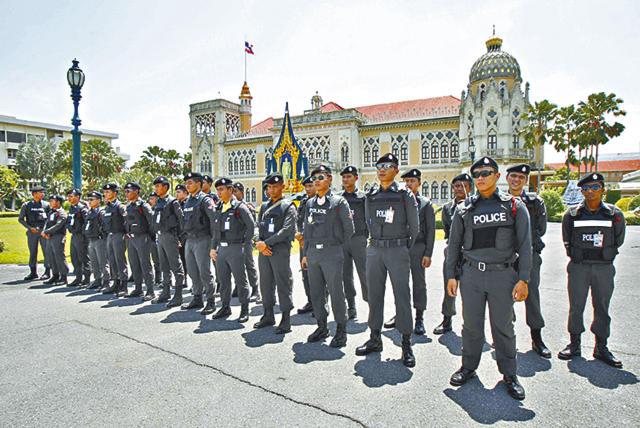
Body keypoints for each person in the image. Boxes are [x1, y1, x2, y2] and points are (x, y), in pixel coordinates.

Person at [446, 156, 531, 400]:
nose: (481, 178)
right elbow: (454, 245)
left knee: (503, 326)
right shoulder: (464, 209)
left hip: (503, 275)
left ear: (497, 175)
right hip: (472, 275)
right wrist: (451, 275)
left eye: (486, 173)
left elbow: (525, 245)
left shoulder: (514, 206)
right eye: (477, 175)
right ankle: (468, 367)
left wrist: (524, 279)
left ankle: (509, 374)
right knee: (471, 326)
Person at [355, 153, 419, 368]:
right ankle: (375, 338)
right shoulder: (371, 194)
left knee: (402, 296)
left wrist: (402, 248)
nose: (382, 169)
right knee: (374, 296)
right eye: (379, 165)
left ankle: (406, 343)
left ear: (396, 170)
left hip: (397, 250)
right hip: (375, 250)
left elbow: (415, 227)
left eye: (387, 166)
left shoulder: (403, 194)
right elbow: (367, 221)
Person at [558, 172, 626, 368]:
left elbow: (618, 239)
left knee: (602, 306)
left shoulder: (614, 214)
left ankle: (601, 347)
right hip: (579, 267)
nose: (590, 192)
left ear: (603, 190)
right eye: (586, 188)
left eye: (595, 187)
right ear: (581, 191)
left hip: (603, 267)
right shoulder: (572, 214)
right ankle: (574, 344)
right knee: (576, 306)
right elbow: (567, 238)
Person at [301, 165, 354, 347]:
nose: (316, 181)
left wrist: (337, 247)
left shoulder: (339, 202)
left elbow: (349, 229)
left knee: (336, 292)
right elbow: (307, 231)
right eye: (314, 178)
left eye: (321, 177)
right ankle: (321, 326)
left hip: (331, 253)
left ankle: (341, 330)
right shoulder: (310, 203)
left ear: (330, 179)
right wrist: (305, 254)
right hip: (313, 253)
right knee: (316, 292)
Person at [383, 168, 435, 336]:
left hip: (417, 249)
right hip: (399, 248)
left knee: (419, 284)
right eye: (406, 181)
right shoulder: (397, 201)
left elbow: (431, 231)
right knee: (399, 284)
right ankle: (400, 315)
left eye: (412, 181)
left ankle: (419, 318)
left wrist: (428, 253)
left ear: (419, 183)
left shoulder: (425, 204)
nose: (409, 184)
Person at [506, 164, 550, 358]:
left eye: (521, 177)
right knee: (504, 297)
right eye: (513, 176)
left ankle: (536, 338)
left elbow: (541, 228)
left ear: (525, 181)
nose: (516, 180)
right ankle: (506, 336)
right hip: (505, 257)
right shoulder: (500, 201)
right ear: (507, 178)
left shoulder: (535, 202)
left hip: (529, 256)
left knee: (531, 296)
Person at [254, 173, 297, 334]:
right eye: (269, 187)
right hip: (264, 250)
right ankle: (268, 315)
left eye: (275, 186)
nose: (271, 190)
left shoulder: (288, 206)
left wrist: (266, 243)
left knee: (283, 283)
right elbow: (258, 226)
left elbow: (287, 230)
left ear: (283, 187)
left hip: (279, 250)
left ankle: (286, 319)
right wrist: (259, 242)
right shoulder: (264, 206)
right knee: (265, 283)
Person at [210, 178, 255, 322]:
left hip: (236, 248)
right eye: (217, 190)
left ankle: (244, 309)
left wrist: (244, 243)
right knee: (223, 280)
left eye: (222, 189)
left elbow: (251, 226)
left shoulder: (239, 207)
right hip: (221, 250)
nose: (219, 193)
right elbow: (215, 231)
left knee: (240, 280)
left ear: (230, 190)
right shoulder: (218, 207)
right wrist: (213, 248)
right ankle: (225, 307)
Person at [434, 173, 471, 335]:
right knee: (449, 287)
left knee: (472, 291)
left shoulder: (475, 206)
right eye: (456, 186)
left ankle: (471, 324)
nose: (459, 189)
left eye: (463, 185)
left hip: (471, 254)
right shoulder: (447, 208)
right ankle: (447, 320)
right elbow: (448, 231)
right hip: (452, 253)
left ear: (470, 188)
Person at [181, 172, 217, 314]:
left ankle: (211, 301)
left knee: (204, 271)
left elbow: (214, 221)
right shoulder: (188, 201)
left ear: (198, 183)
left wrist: (214, 243)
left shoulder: (205, 200)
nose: (187, 185)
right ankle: (197, 298)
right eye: (186, 183)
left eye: (190, 183)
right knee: (192, 271)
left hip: (203, 239)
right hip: (189, 240)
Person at [338, 166, 368, 319]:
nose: (346, 180)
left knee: (365, 274)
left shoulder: (363, 197)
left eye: (349, 176)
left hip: (359, 240)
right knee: (346, 275)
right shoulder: (338, 199)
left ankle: (372, 304)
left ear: (356, 178)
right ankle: (351, 306)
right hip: (343, 241)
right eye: (344, 177)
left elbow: (369, 218)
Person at [151, 176, 186, 308]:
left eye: (158, 186)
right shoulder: (158, 202)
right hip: (160, 237)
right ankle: (165, 292)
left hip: (170, 237)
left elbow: (181, 220)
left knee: (176, 266)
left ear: (165, 187)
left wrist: (179, 238)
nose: (156, 189)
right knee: (164, 266)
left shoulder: (173, 202)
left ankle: (178, 295)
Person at [123, 182, 155, 300]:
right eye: (125, 191)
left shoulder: (143, 205)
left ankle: (150, 291)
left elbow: (151, 222)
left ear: (136, 191)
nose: (126, 193)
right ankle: (138, 289)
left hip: (142, 237)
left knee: (145, 264)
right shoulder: (128, 206)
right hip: (131, 238)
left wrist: (150, 236)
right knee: (134, 264)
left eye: (128, 191)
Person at [232, 182, 260, 301]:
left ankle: (255, 289)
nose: (233, 194)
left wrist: (246, 240)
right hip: (234, 242)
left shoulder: (247, 207)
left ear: (242, 193)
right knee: (235, 266)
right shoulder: (230, 207)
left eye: (236, 192)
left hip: (245, 241)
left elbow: (251, 226)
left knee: (249, 265)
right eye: (232, 192)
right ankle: (238, 286)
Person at [18, 185, 50, 280]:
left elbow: (49, 219)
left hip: (43, 232)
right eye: (40, 192)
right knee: (33, 252)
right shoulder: (26, 205)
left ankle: (47, 272)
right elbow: (21, 219)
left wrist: (45, 230)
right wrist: (29, 228)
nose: (43, 194)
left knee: (46, 252)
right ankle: (33, 272)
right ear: (34, 194)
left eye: (43, 192)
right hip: (32, 232)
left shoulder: (46, 205)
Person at [101, 183, 129, 294]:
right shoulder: (107, 207)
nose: (105, 194)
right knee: (112, 260)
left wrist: (127, 233)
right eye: (105, 192)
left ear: (115, 193)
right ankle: (116, 283)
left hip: (118, 235)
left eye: (108, 192)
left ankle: (124, 285)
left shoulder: (120, 206)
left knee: (120, 260)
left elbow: (127, 220)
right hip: (110, 235)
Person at [295, 176, 316, 314]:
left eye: (310, 186)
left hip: (316, 242)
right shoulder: (303, 202)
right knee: (306, 273)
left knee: (318, 274)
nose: (308, 189)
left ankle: (322, 303)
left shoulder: (321, 201)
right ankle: (310, 301)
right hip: (303, 243)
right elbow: (298, 220)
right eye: (306, 187)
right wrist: (299, 234)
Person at [83, 191, 110, 289]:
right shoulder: (89, 212)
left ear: (98, 200)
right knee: (94, 262)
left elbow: (106, 226)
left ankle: (106, 281)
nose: (89, 201)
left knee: (103, 262)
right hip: (91, 240)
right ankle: (97, 279)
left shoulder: (101, 212)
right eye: (88, 199)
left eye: (91, 199)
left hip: (100, 240)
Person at [41, 195, 69, 285]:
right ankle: (55, 275)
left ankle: (63, 277)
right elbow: (47, 222)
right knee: (51, 256)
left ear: (58, 202)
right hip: (50, 237)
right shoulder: (51, 212)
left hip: (58, 236)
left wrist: (46, 231)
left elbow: (58, 225)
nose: (50, 202)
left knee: (59, 256)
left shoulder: (61, 213)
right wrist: (44, 231)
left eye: (52, 201)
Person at [66, 189, 91, 287]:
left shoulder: (82, 208)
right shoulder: (72, 208)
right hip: (74, 235)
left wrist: (83, 232)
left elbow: (87, 221)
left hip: (81, 236)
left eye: (71, 196)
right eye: (68, 196)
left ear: (78, 197)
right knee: (74, 257)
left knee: (83, 257)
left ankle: (87, 279)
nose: (69, 198)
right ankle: (78, 278)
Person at [148, 192, 162, 286]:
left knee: (163, 260)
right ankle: (158, 279)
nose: (151, 201)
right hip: (152, 238)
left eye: (152, 198)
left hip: (160, 237)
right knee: (156, 260)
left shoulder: (160, 208)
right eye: (150, 199)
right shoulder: (150, 209)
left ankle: (165, 280)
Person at [175, 184, 189, 280]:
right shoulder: (176, 204)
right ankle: (184, 278)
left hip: (187, 235)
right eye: (176, 192)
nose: (177, 194)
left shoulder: (189, 203)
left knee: (189, 259)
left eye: (179, 192)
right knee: (181, 258)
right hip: (179, 235)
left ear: (185, 193)